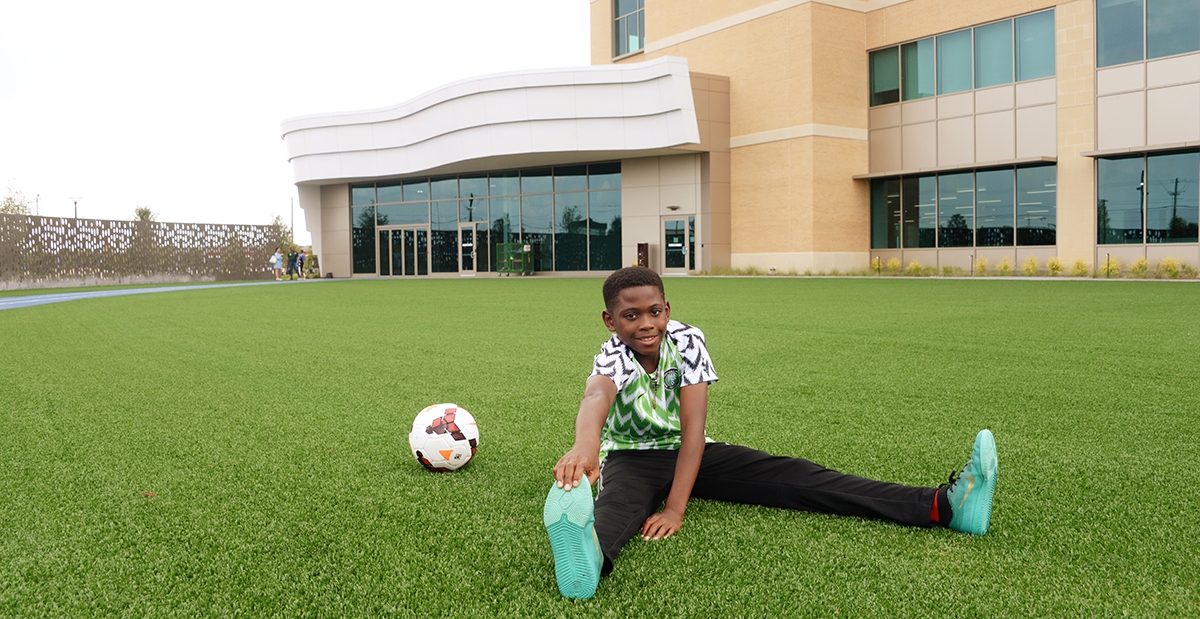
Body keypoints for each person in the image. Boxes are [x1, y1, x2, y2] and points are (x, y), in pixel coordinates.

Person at [543, 266, 998, 599]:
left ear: (668, 309)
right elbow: (596, 396)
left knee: (799, 477)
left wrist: (677, 509)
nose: (645, 324)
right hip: (631, 457)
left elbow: (694, 429)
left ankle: (945, 507)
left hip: (694, 450)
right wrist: (585, 445)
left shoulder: (687, 340)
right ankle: (589, 563)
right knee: (616, 511)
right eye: (630, 316)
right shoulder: (612, 355)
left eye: (654, 312)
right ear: (610, 321)